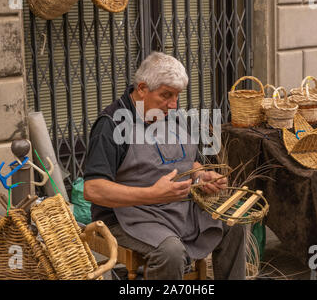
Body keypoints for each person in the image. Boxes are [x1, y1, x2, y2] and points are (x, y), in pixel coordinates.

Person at [83, 51, 246, 280]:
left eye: (177, 96)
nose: (173, 104)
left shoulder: (171, 114)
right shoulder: (111, 125)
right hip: (129, 216)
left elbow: (188, 161)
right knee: (170, 252)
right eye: (166, 95)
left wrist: (201, 177)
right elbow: (93, 189)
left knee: (234, 221)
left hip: (180, 206)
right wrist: (151, 194)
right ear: (141, 89)